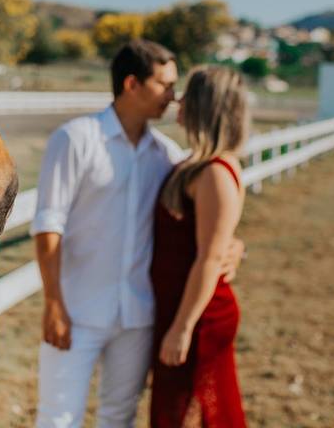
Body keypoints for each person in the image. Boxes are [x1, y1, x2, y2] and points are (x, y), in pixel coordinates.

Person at [31, 41, 242, 427]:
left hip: (139, 317)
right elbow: (48, 224)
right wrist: (53, 303)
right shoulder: (75, 139)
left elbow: (206, 217)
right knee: (57, 418)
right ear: (132, 84)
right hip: (77, 310)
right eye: (164, 85)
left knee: (119, 417)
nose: (174, 97)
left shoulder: (166, 155)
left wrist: (234, 247)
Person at [150, 65, 250, 427]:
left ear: (205, 106)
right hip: (180, 307)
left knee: (194, 414)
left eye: (188, 94)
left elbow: (209, 259)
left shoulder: (215, 174)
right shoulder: (194, 165)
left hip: (200, 317)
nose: (178, 99)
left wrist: (182, 328)